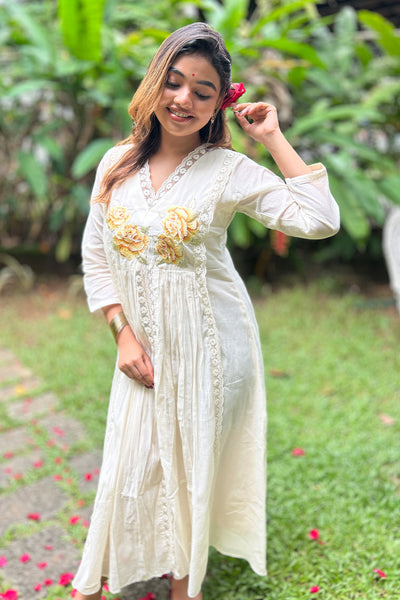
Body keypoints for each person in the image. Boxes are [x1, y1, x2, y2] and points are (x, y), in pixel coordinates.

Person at [72, 21, 340, 600]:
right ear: (154, 83)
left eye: (202, 91)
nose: (183, 100)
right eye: (173, 82)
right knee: (129, 466)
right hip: (142, 349)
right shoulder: (116, 163)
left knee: (191, 469)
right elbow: (96, 254)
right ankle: (96, 583)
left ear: (220, 103)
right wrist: (122, 334)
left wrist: (271, 137)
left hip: (210, 349)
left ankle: (184, 587)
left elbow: (319, 220)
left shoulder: (227, 170)